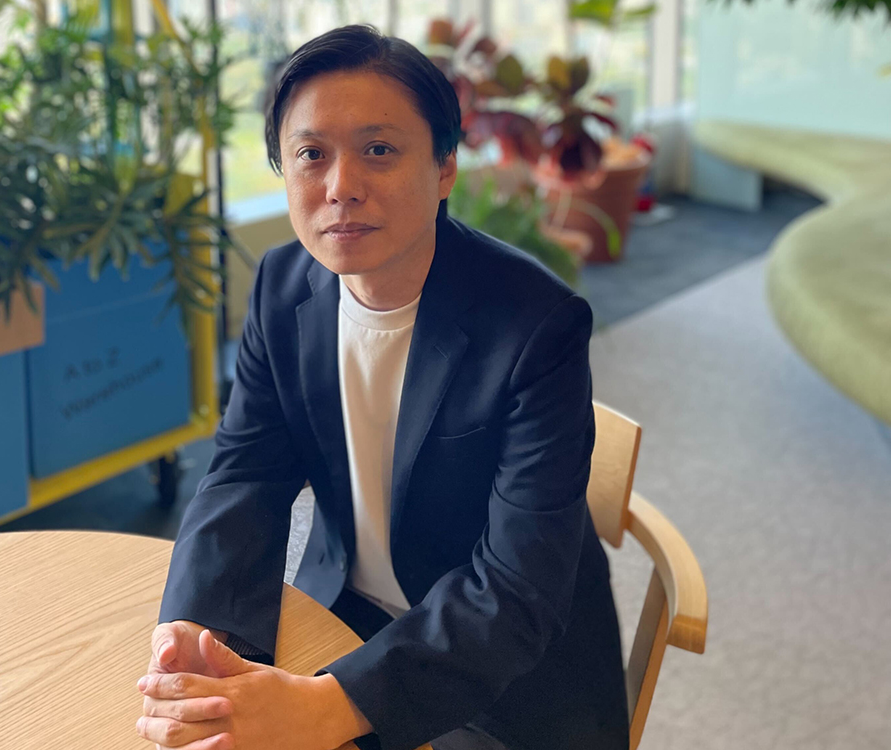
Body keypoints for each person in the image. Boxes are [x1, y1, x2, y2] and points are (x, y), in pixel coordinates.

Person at [135, 24, 629, 750]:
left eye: (378, 150)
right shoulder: (282, 286)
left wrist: (326, 708)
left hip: (507, 682)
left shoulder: (536, 325)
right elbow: (244, 475)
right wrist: (200, 640)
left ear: (445, 167)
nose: (341, 188)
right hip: (345, 616)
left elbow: (516, 591)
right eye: (311, 154)